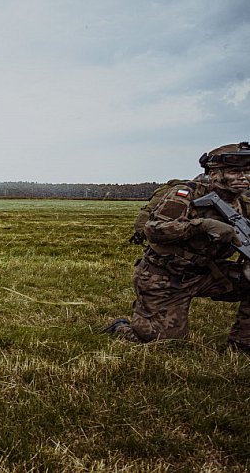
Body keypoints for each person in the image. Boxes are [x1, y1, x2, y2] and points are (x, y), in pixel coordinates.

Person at [104, 142, 250, 352]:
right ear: (214, 173)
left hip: (209, 274)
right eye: (235, 172)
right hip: (167, 277)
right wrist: (201, 226)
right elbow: (153, 230)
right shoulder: (186, 195)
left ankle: (242, 345)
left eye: (247, 172)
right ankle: (122, 328)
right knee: (166, 345)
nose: (243, 177)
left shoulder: (243, 203)